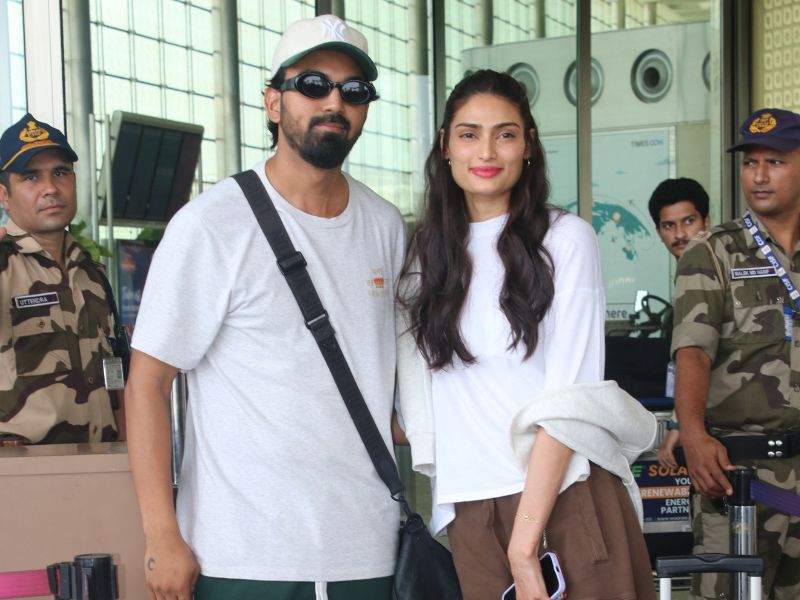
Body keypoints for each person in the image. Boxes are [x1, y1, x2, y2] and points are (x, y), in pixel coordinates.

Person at [124, 15, 406, 600]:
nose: (334, 102)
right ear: (274, 103)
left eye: (354, 90)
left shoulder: (384, 226)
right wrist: (160, 534)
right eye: (313, 85)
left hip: (367, 547)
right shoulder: (211, 224)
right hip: (243, 553)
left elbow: (389, 381)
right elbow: (148, 382)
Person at [396, 70, 656, 600]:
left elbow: (569, 402)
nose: (486, 151)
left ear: (529, 145)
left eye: (506, 134)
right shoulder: (424, 255)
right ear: (445, 145)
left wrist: (524, 542)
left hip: (565, 497)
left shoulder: (565, 240)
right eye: (469, 134)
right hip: (470, 510)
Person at [672, 107, 800, 599]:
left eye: (775, 162)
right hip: (739, 475)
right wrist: (692, 433)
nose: (759, 176)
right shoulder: (713, 251)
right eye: (750, 163)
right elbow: (693, 351)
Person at [0, 113, 125, 445]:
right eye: (30, 177)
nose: (50, 188)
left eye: (60, 173)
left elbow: (115, 375)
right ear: (4, 195)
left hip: (103, 459)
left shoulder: (92, 273)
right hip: (24, 467)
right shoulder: (4, 266)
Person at [646, 177, 710, 468]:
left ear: (707, 221)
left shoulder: (712, 270)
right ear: (658, 232)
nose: (680, 234)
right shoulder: (688, 273)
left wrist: (679, 424)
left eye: (689, 221)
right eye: (669, 226)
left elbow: (701, 354)